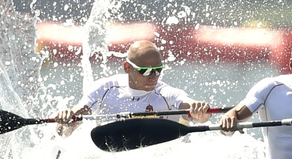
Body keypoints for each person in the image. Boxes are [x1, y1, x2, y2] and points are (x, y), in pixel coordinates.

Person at [54, 40, 213, 136]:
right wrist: (65, 120)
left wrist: (199, 111)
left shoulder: (164, 93)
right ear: (127, 67)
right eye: (147, 71)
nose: (154, 76)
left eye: (158, 70)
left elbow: (196, 111)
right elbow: (64, 132)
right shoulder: (104, 89)